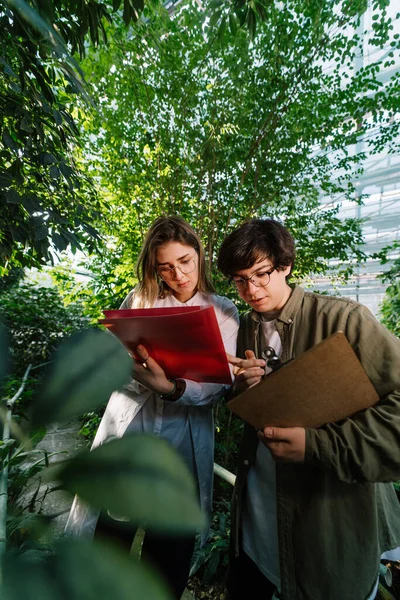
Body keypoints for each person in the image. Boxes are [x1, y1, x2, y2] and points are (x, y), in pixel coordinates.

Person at [217, 218, 400, 600]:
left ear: (285, 265)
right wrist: (244, 388)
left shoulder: (344, 321)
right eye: (240, 280)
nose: (251, 289)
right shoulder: (246, 328)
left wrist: (318, 445)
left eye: (262, 274)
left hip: (327, 526)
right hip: (258, 522)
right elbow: (246, 407)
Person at [66, 216, 239, 599]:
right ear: (154, 268)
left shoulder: (224, 311)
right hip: (131, 438)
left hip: (182, 453)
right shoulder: (141, 300)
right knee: (106, 544)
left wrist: (171, 386)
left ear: (200, 255)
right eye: (166, 267)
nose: (178, 275)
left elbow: (216, 386)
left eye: (186, 261)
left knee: (167, 562)